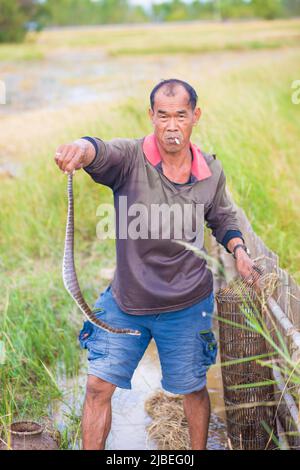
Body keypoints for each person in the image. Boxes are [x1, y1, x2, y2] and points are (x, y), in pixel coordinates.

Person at [54, 79, 259, 450]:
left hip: (187, 304)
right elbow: (99, 151)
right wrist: (79, 148)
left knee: (193, 388)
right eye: (162, 116)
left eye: (180, 115)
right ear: (151, 116)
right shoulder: (131, 158)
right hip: (127, 301)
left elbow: (222, 216)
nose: (171, 125)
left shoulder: (209, 170)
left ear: (195, 116)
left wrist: (239, 250)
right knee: (98, 385)